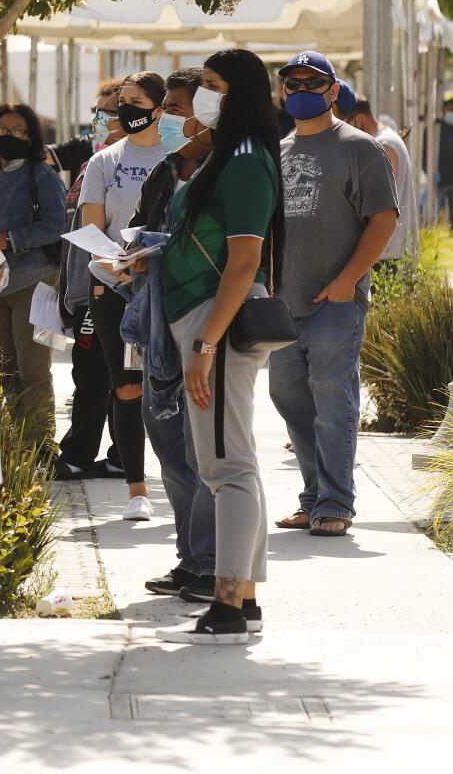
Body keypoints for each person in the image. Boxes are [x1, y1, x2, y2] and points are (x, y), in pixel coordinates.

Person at [153, 48, 284, 645]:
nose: (202, 94)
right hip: (207, 322)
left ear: (239, 94)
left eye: (211, 85)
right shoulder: (230, 155)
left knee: (224, 468)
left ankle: (229, 607)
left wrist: (206, 344)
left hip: (217, 325)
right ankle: (243, 601)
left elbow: (246, 259)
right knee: (236, 464)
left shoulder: (245, 159)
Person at [267, 51, 398, 537]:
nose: (300, 90)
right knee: (290, 399)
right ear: (282, 91)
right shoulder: (276, 151)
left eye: (311, 81)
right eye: (291, 82)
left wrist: (348, 280)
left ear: (332, 89)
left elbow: (383, 219)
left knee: (332, 400)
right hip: (282, 303)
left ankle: (335, 503)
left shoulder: (360, 148)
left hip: (336, 302)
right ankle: (313, 496)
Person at [127, 67, 219, 603]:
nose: (166, 120)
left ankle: (212, 564)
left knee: (202, 447)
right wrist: (129, 256)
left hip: (202, 321)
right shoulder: (164, 171)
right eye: (166, 110)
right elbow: (142, 228)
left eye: (179, 110)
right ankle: (191, 558)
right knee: (167, 442)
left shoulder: (223, 174)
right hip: (156, 323)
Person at [78, 71, 171, 520]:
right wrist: (120, 261)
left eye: (137, 101)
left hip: (168, 287)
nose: (127, 110)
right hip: (114, 286)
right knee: (127, 385)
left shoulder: (179, 157)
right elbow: (92, 228)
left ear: (160, 106)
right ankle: (137, 488)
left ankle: (180, 476)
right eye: (122, 102)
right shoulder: (104, 161)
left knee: (170, 385)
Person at [52, 79, 126, 481]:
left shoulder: (128, 164)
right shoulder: (91, 160)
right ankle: (108, 454)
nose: (98, 120)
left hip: (111, 283)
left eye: (108, 113)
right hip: (82, 286)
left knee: (102, 375)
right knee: (90, 371)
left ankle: (86, 454)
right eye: (95, 112)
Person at [0, 102, 67, 449]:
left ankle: (41, 444)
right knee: (6, 371)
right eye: (3, 129)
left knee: (33, 369)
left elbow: (57, 224)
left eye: (18, 130)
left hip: (35, 283)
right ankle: (17, 444)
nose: (9, 136)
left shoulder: (42, 175)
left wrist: (10, 238)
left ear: (31, 136)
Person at [345, 98, 420, 273]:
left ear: (359, 119)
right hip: (393, 248)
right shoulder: (388, 138)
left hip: (387, 252)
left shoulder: (382, 145)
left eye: (348, 126)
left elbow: (378, 200)